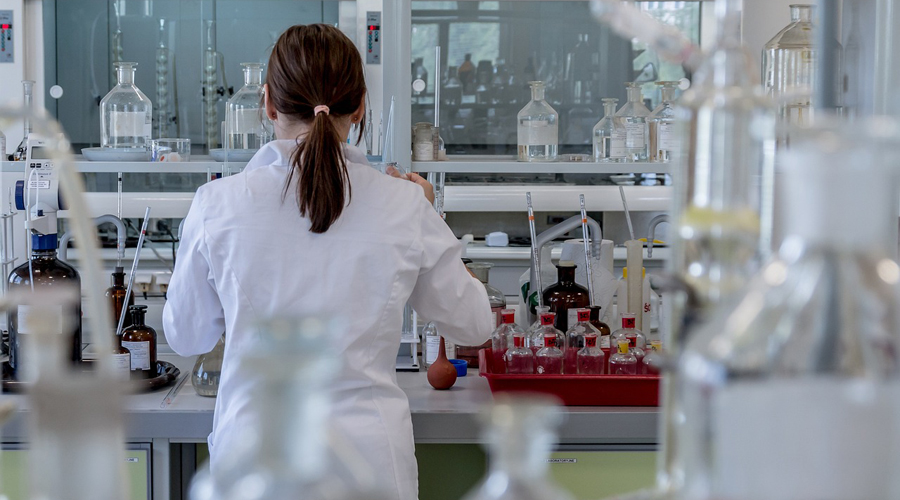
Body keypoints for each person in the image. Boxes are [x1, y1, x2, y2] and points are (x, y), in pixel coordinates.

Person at [162, 24, 493, 500]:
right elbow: (475, 325)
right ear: (358, 107)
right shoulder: (404, 204)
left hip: (253, 466)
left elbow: (186, 335)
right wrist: (429, 213)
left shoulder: (217, 203)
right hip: (372, 464)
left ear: (269, 104)